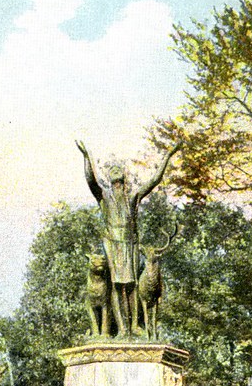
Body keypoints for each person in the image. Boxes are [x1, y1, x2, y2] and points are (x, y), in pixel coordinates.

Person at [76, 139, 180, 336]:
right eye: (113, 174)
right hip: (113, 242)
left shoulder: (132, 198)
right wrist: (86, 156)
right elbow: (91, 179)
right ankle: (123, 329)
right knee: (116, 286)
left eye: (120, 174)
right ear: (109, 179)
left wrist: (169, 155)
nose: (117, 176)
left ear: (124, 179)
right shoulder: (104, 197)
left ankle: (133, 326)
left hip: (130, 243)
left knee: (131, 286)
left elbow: (154, 180)